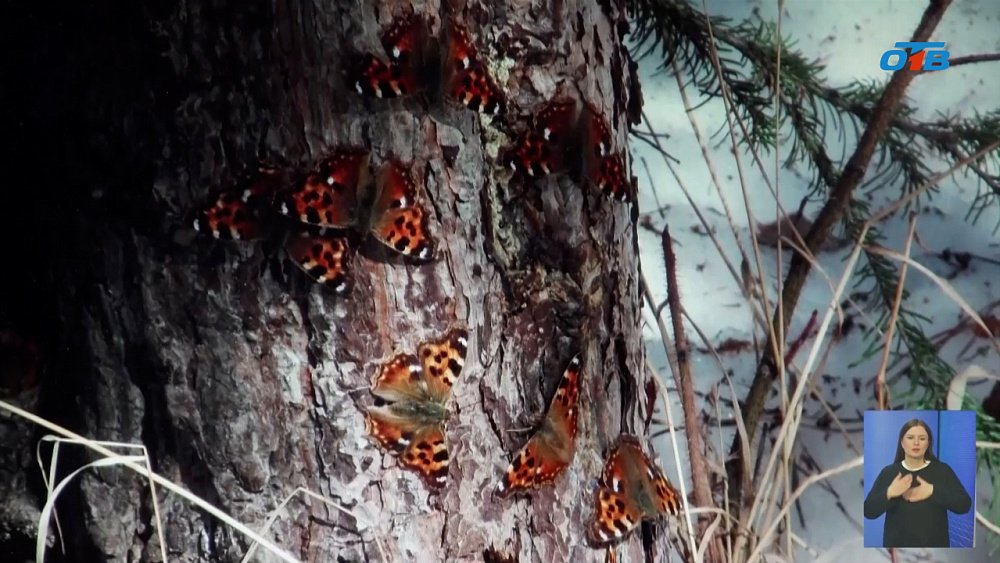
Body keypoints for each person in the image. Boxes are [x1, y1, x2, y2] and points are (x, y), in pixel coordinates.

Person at [863, 418, 972, 547]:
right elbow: (868, 511)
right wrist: (890, 492)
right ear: (902, 443)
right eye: (910, 438)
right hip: (899, 553)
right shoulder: (888, 472)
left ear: (928, 443)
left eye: (922, 438)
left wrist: (933, 491)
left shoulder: (943, 470)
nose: (916, 443)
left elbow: (964, 504)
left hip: (935, 553)